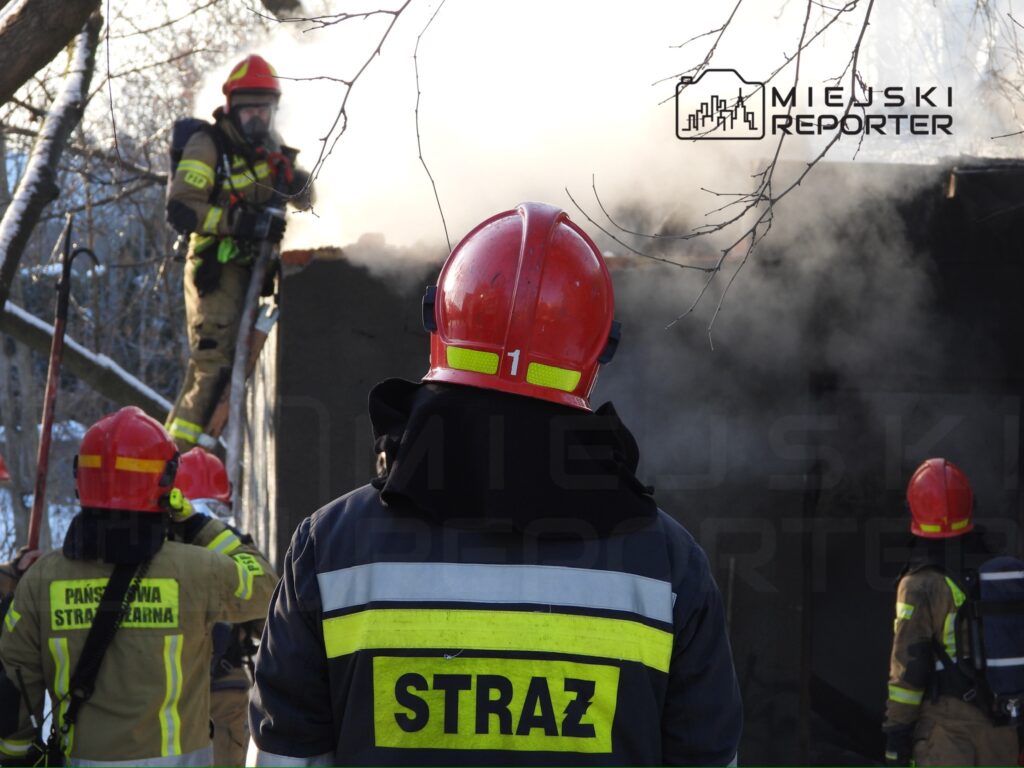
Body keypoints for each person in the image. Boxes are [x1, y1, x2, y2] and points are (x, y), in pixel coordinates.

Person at [248, 202, 743, 765]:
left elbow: (283, 759)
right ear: (593, 352)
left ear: (442, 323)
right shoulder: (668, 566)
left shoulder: (330, 549)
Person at [0, 406, 275, 765]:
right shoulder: (197, 571)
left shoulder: (41, 580)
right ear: (165, 482)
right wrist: (197, 525)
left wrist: (16, 757)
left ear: (81, 478)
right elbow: (266, 586)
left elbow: (14, 688)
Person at [165, 53, 311, 452]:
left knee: (237, 368)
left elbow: (299, 197)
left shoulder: (271, 150)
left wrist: (300, 186)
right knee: (213, 366)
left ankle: (202, 460)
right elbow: (181, 208)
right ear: (231, 108)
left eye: (265, 111)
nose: (257, 121)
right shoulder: (208, 145)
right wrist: (243, 222)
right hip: (215, 270)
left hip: (254, 273)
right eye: (249, 112)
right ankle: (175, 463)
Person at [883, 458, 1019, 766]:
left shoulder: (920, 584)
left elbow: (908, 671)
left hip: (948, 739)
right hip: (1002, 737)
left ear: (915, 511)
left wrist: (896, 738)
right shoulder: (995, 573)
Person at [174, 447, 274, 766]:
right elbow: (269, 615)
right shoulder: (232, 548)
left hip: (170, 693)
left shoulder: (158, 548)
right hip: (225, 692)